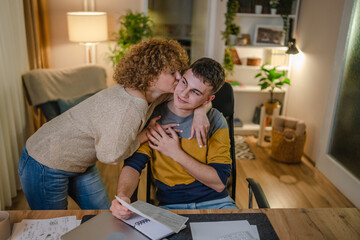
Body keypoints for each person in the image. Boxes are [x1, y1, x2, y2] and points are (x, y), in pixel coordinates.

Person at [18, 39, 211, 210]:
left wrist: (201, 111)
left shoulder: (156, 93)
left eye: (179, 71)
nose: (179, 78)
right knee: (54, 226)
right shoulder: (130, 107)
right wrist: (146, 134)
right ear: (151, 76)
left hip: (80, 162)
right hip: (45, 161)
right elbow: (110, 155)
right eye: (172, 73)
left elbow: (205, 95)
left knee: (104, 217)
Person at [110, 57, 238, 220]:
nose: (183, 93)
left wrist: (175, 152)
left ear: (207, 100)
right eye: (184, 82)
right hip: (169, 207)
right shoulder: (153, 117)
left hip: (216, 203)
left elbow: (219, 183)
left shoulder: (214, 120)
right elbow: (133, 165)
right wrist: (122, 196)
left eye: (195, 92)